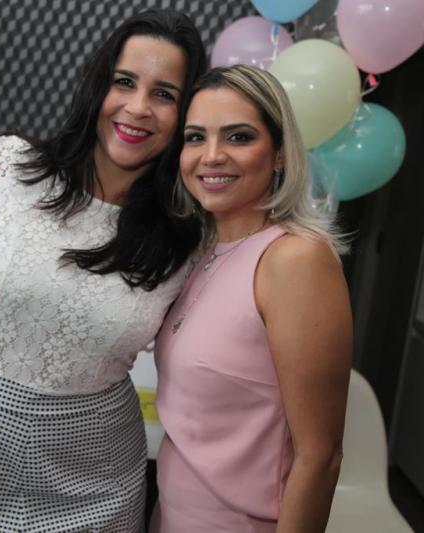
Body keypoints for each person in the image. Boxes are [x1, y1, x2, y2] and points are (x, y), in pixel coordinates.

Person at [0, 9, 207, 532]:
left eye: (164, 94)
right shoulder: (9, 168)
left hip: (92, 482)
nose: (138, 107)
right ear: (98, 85)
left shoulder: (187, 236)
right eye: (124, 82)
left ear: (185, 114)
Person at [151, 65, 353, 532]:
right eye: (196, 138)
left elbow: (320, 458)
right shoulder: (204, 252)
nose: (211, 156)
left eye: (238, 137)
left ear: (279, 154)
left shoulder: (295, 259)